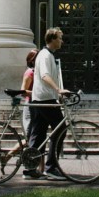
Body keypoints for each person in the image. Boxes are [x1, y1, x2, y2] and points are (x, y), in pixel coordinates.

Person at [27, 27, 70, 181]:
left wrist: (57, 95)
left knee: (38, 134)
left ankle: (30, 168)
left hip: (40, 98)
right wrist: (58, 89)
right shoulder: (45, 55)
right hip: (45, 99)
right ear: (52, 39)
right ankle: (52, 167)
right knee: (61, 129)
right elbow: (45, 76)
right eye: (59, 38)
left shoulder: (47, 55)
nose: (62, 41)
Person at [1, 49, 37, 173]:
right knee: (29, 138)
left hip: (35, 106)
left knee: (31, 138)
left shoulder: (36, 72)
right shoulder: (29, 73)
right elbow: (23, 91)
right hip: (30, 106)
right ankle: (10, 158)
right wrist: (39, 93)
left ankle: (9, 158)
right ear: (33, 60)